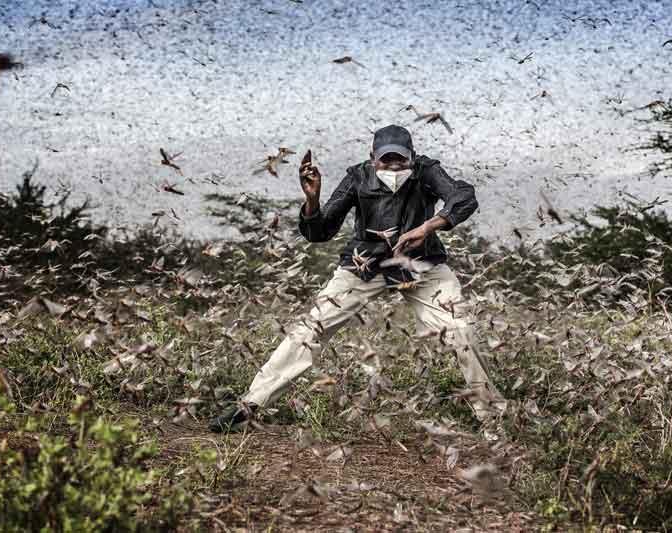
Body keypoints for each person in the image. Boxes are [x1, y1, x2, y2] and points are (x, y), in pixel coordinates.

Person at [209, 124, 506, 432]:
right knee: (311, 329)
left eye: (400, 161)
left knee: (461, 329)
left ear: (412, 158)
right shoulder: (356, 177)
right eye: (385, 160)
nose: (393, 167)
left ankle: (492, 422)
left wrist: (428, 227)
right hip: (365, 265)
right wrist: (312, 201)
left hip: (422, 262)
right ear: (372, 158)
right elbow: (320, 232)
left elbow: (463, 195)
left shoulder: (427, 171)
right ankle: (250, 404)